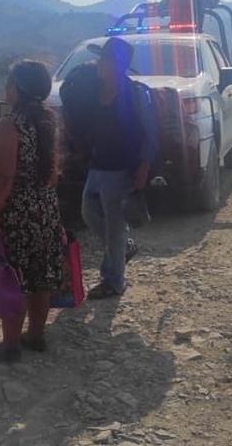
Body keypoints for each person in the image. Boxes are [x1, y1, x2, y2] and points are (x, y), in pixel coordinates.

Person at [0, 60, 65, 364]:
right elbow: (51, 172)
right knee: (39, 274)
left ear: (18, 88)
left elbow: (2, 179)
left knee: (11, 277)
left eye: (10, 81)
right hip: (43, 209)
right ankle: (36, 334)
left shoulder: (10, 126)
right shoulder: (47, 122)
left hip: (15, 213)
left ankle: (10, 343)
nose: (6, 87)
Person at [77, 37, 158, 299]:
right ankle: (124, 248)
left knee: (113, 225)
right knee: (89, 213)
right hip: (97, 165)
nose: (99, 63)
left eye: (104, 59)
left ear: (117, 64)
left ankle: (114, 280)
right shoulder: (95, 90)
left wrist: (144, 166)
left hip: (121, 169)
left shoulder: (135, 93)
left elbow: (150, 132)